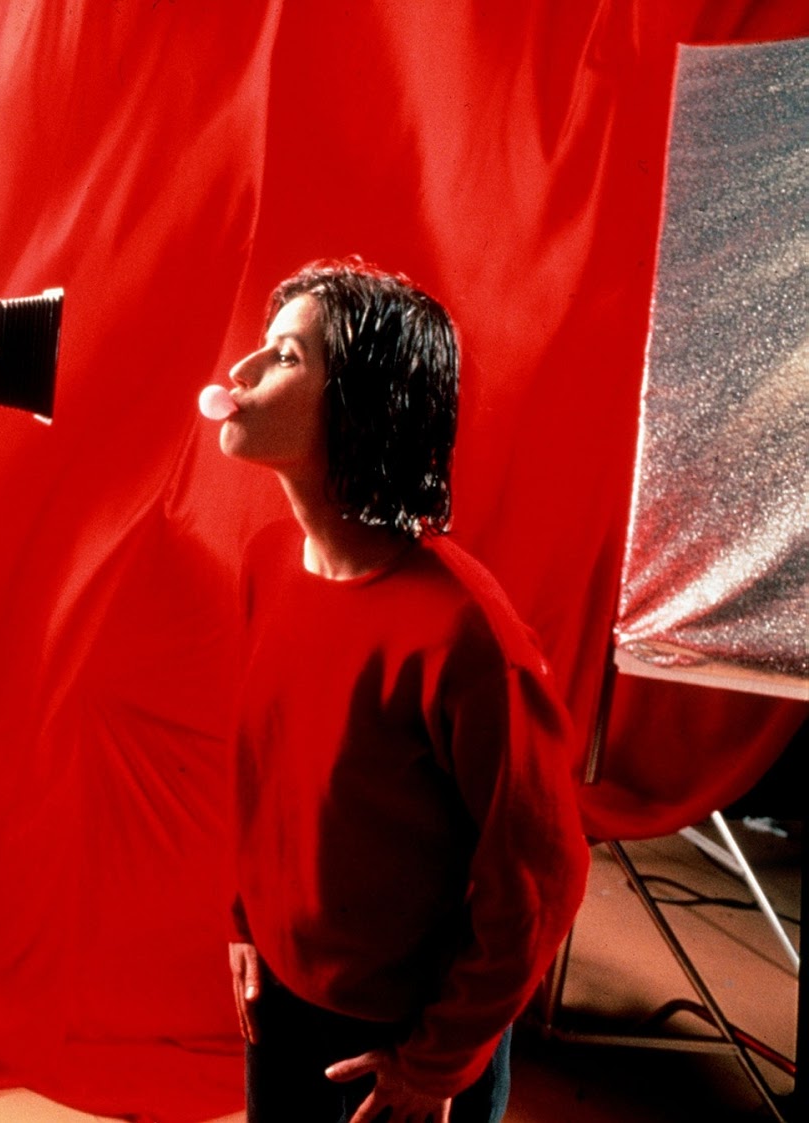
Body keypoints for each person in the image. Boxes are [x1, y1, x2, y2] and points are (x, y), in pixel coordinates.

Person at [213, 260, 590, 1123]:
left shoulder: (467, 634)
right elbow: (276, 777)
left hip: (404, 1038)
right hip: (281, 1000)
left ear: (365, 402)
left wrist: (439, 1059)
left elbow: (543, 873)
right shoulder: (268, 564)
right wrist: (246, 921)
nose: (241, 372)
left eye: (286, 355)